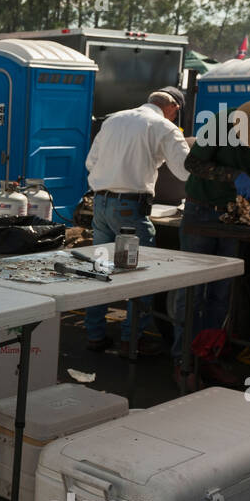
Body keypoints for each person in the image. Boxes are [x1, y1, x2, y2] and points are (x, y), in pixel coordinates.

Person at [170, 91, 250, 388]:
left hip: (238, 217)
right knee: (191, 291)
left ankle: (209, 357)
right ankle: (183, 360)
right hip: (202, 211)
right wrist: (233, 175)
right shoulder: (222, 124)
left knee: (221, 294)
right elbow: (193, 164)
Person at [82, 85, 190, 355]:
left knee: (100, 271)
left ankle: (94, 334)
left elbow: (90, 163)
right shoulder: (164, 127)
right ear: (173, 108)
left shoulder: (114, 119)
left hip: (101, 204)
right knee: (141, 274)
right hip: (129, 209)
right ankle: (132, 340)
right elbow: (186, 170)